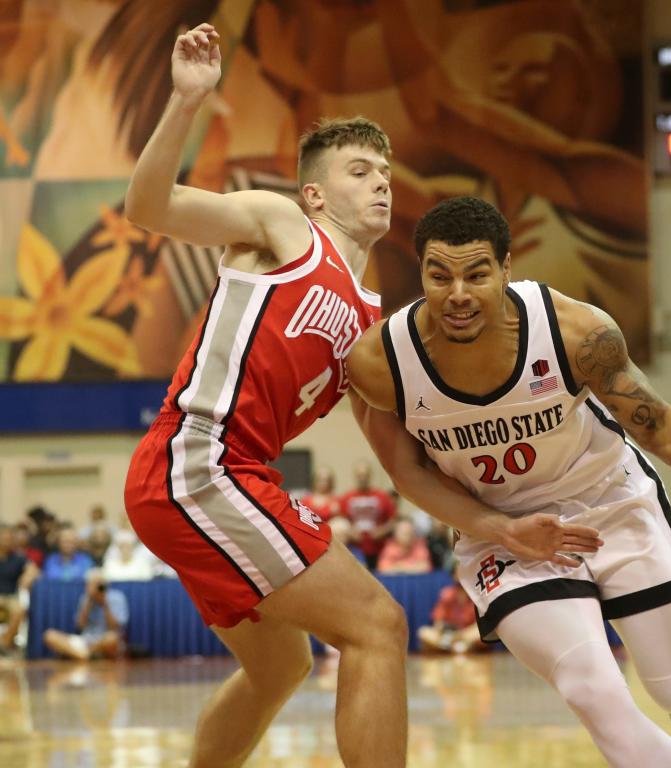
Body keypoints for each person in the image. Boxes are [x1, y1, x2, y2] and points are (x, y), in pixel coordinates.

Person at [122, 26, 600, 768]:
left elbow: (404, 470)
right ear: (315, 191)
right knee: (377, 625)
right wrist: (187, 102)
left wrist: (502, 528)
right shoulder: (284, 228)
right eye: (358, 169)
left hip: (217, 481)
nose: (380, 180)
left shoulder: (370, 328)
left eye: (383, 169)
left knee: (282, 667)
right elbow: (148, 207)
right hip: (199, 464)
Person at [348, 196, 671, 766]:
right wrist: (501, 529)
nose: (457, 293)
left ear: (507, 269)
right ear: (422, 275)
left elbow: (658, 426)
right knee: (592, 689)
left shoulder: (576, 332)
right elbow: (406, 472)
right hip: (500, 533)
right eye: (439, 275)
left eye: (476, 274)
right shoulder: (380, 362)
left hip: (609, 502)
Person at [42, 569, 129, 661]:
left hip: (104, 642)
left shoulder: (117, 597)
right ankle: (87, 656)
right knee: (49, 635)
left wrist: (104, 604)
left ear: (106, 584)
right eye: (93, 584)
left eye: (99, 584)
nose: (97, 588)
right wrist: (89, 601)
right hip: (85, 640)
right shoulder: (85, 598)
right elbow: (80, 625)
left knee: (112, 639)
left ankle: (80, 655)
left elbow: (116, 627)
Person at [339, 459, 397, 569]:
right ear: (355, 476)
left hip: (379, 549)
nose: (362, 478)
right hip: (354, 550)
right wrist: (350, 531)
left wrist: (382, 531)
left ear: (370, 476)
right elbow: (341, 521)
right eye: (360, 475)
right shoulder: (346, 498)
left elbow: (393, 520)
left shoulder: (382, 496)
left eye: (365, 475)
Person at [0, 525, 39, 656]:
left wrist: (28, 575)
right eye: (4, 537)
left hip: (11, 598)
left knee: (20, 609)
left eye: (10, 537)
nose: (7, 540)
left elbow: (34, 570)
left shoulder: (18, 558)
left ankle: (4, 644)